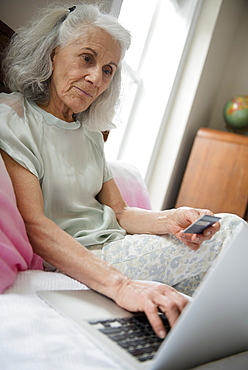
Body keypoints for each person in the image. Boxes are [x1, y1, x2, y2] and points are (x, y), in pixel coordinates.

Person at [0, 3, 244, 339]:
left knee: (209, 273)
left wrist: (171, 219)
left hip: (117, 243)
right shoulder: (13, 117)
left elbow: (120, 211)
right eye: (87, 58)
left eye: (109, 69)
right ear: (53, 54)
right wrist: (122, 286)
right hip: (82, 257)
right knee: (232, 233)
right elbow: (35, 224)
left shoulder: (87, 132)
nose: (96, 78)